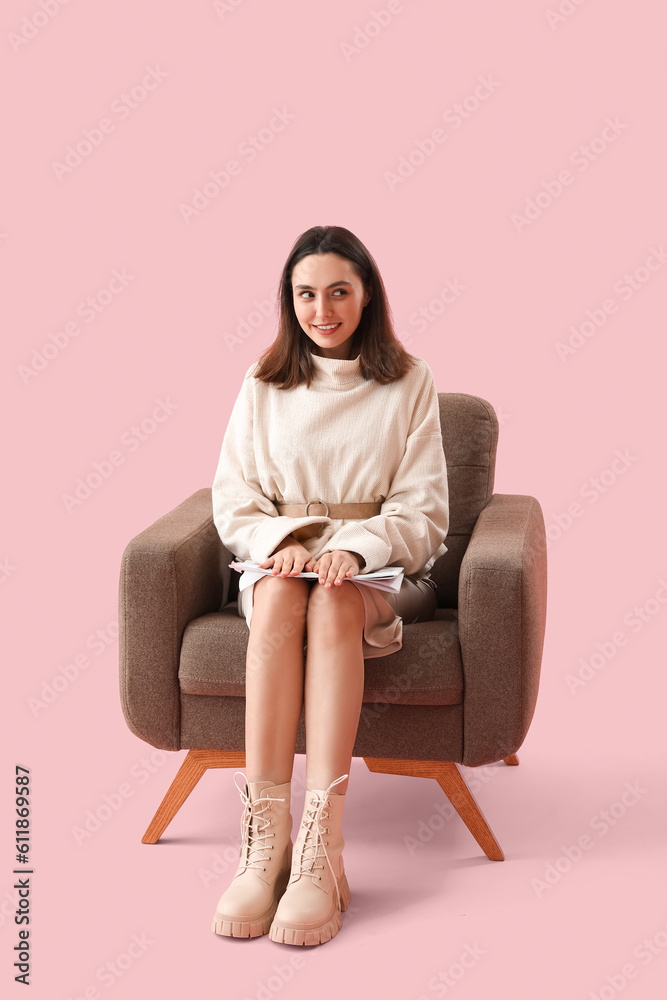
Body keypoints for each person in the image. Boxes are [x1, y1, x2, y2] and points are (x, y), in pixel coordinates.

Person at [210, 225, 449, 946]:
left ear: (366, 294)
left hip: (380, 568)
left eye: (338, 291)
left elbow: (425, 511)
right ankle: (265, 843)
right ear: (289, 300)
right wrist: (282, 545)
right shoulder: (264, 380)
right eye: (306, 293)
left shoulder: (408, 380)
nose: (322, 309)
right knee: (287, 594)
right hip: (279, 563)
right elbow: (233, 499)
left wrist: (354, 546)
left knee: (333, 597)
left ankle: (322, 849)